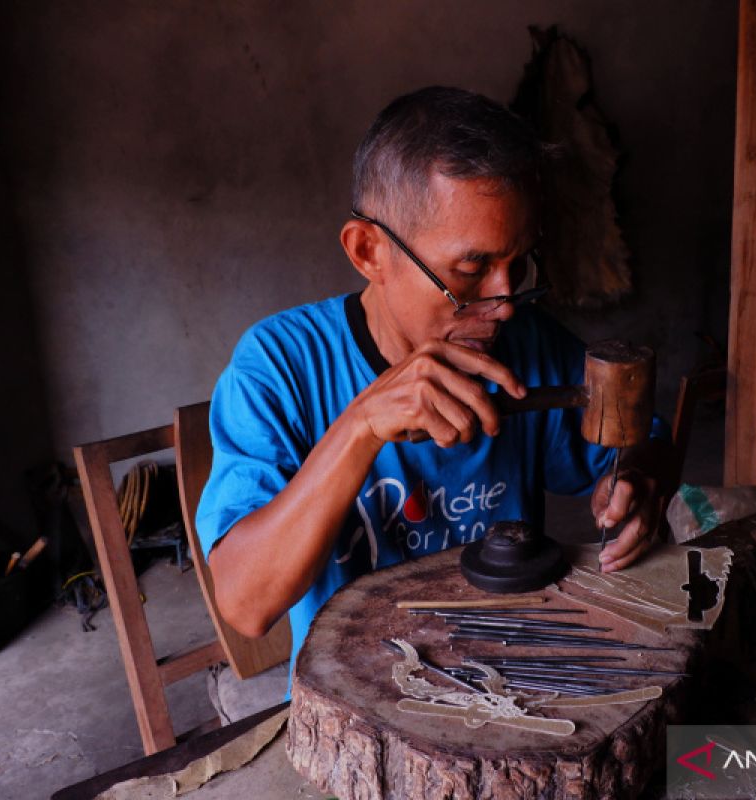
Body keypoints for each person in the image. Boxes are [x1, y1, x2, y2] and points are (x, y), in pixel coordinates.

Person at [196, 86, 674, 687]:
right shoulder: (280, 366)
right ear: (369, 251)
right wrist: (360, 426)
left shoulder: (528, 345)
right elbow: (246, 605)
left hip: (512, 676)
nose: (502, 304)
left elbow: (640, 442)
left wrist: (638, 479)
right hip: (358, 703)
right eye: (471, 269)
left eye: (518, 265)